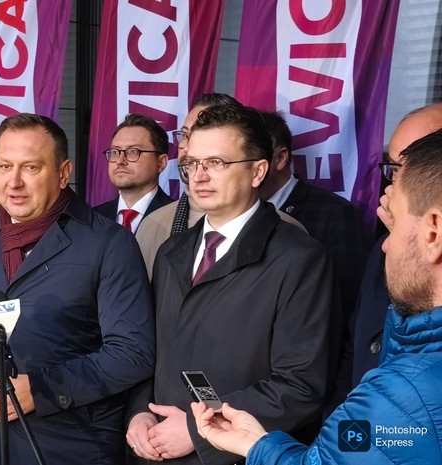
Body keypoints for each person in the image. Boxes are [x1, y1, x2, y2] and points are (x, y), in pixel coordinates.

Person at [191, 129, 442, 465]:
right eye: (191, 163)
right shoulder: (407, 386)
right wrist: (256, 444)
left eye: (393, 226)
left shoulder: (404, 396)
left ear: (433, 232)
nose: (383, 246)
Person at [126, 104, 338, 464]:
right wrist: (139, 411)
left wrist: (197, 430)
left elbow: (301, 384)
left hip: (234, 454)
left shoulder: (299, 257)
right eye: (192, 163)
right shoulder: (171, 251)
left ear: (258, 171)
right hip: (156, 448)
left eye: (217, 163)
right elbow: (150, 349)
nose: (199, 176)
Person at [0, 113, 156, 465]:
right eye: (5, 166)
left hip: (74, 446)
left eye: (31, 168)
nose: (14, 182)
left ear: (63, 172)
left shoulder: (108, 243)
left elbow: (133, 354)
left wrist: (43, 390)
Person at [349, 103, 442, 386]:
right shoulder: (383, 246)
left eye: (414, 165)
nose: (397, 181)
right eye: (394, 167)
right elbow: (356, 339)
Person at [257, 110, 370, 321]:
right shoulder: (230, 214)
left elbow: (349, 304)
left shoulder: (337, 215)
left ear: (280, 158)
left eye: (250, 155)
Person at [135, 93, 238, 276]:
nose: (187, 148)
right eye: (185, 135)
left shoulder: (281, 230)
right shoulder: (152, 225)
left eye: (201, 136)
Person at [94, 113, 173, 232]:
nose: (120, 161)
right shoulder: (94, 218)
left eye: (133, 152)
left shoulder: (178, 218)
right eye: (115, 152)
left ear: (161, 162)